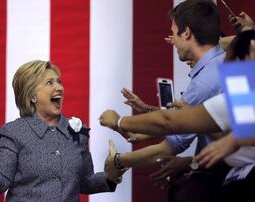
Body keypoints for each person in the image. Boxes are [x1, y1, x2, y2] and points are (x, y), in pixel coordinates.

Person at [100, 29, 255, 202]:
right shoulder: (242, 101)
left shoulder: (238, 96)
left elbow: (170, 122)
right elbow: (223, 139)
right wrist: (191, 163)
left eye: (175, 33)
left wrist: (119, 122)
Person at [0, 60, 124, 201]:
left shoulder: (77, 131)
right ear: (32, 96)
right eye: (50, 83)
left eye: (59, 82)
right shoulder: (13, 132)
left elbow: (84, 181)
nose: (59, 88)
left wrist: (110, 176)